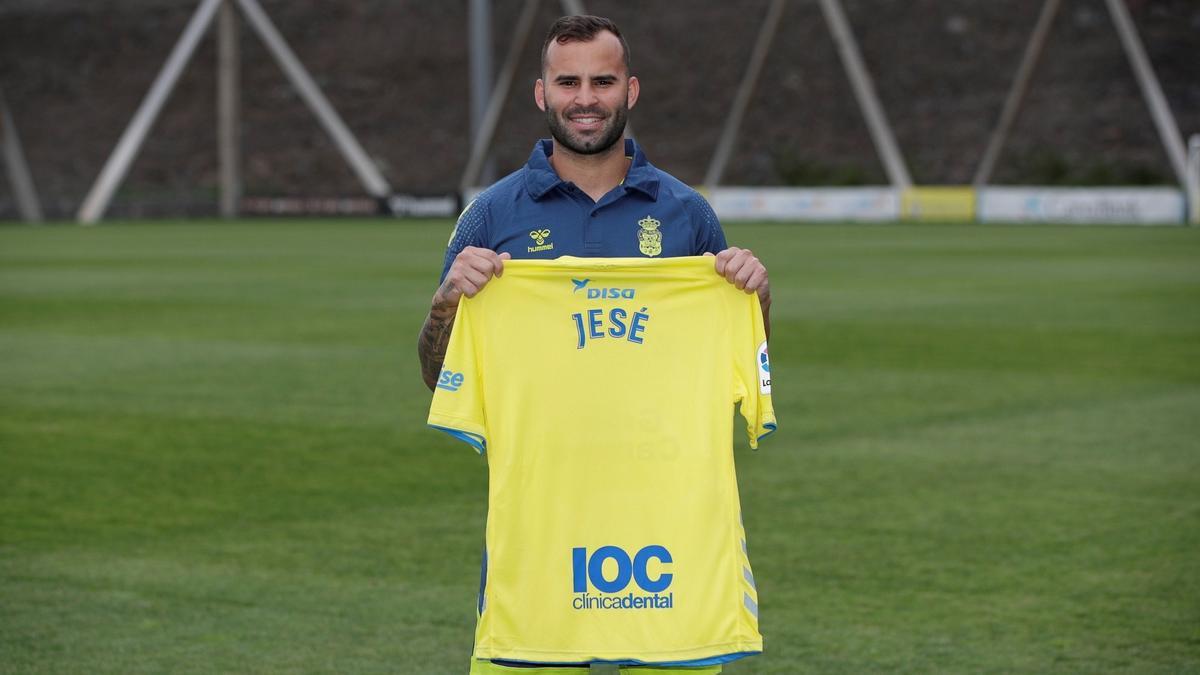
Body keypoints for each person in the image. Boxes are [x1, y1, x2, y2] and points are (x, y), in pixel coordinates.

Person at [417, 15, 771, 674]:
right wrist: (448, 305)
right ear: (542, 93)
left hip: (668, 553)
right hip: (539, 549)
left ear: (630, 90)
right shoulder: (492, 217)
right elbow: (440, 377)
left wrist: (756, 298)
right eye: (569, 81)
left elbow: (742, 366)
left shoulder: (686, 215)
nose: (586, 97)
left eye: (602, 81)